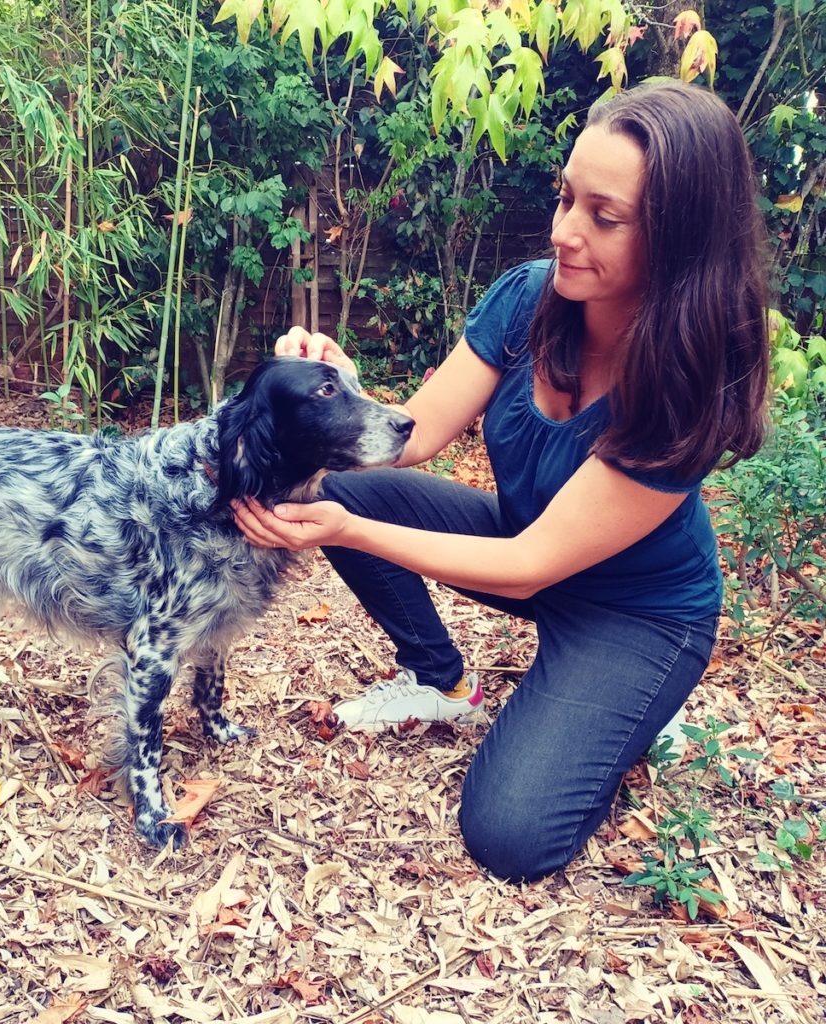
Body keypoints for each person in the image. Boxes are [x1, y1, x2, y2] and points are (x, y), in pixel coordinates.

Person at [232, 80, 770, 882]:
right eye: (566, 198)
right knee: (340, 488)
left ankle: (633, 703)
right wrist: (340, 389)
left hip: (634, 612)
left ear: (680, 238)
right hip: (525, 542)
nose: (564, 232)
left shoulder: (690, 376)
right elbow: (415, 434)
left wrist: (349, 534)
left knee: (510, 836)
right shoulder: (528, 299)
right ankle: (442, 681)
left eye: (605, 217)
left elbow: (530, 567)